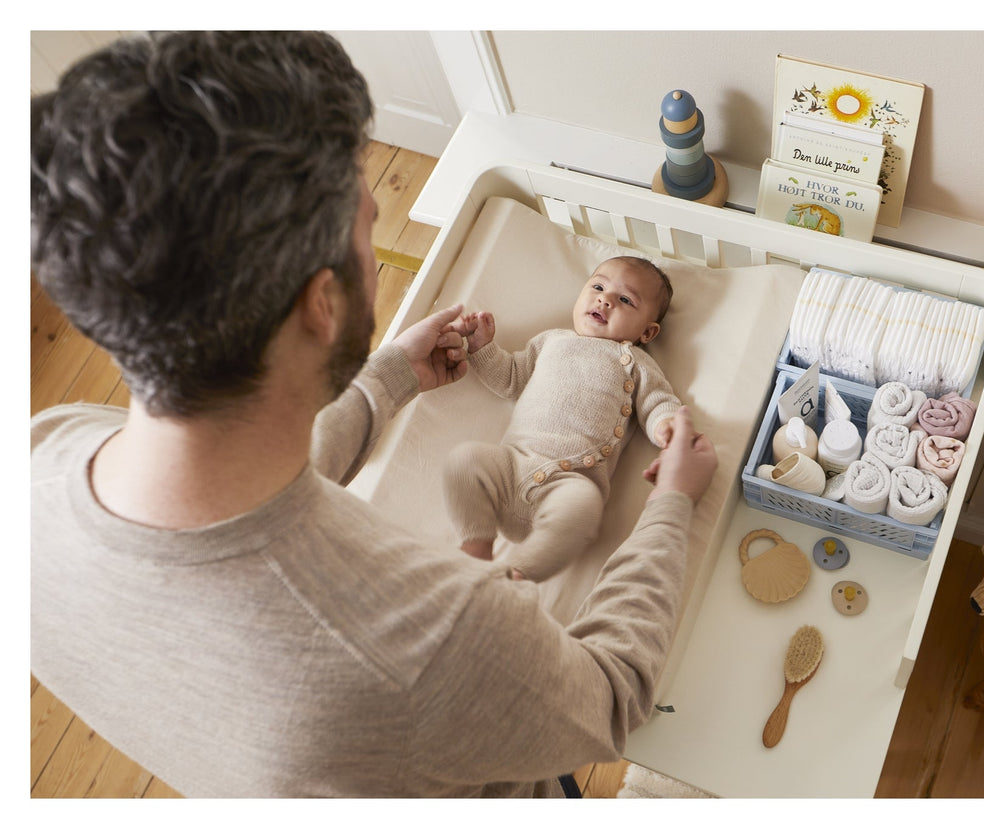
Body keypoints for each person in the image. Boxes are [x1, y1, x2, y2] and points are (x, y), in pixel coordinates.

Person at [30, 31, 717, 798]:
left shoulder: (39, 455)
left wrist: (383, 380)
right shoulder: (444, 631)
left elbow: (234, 472)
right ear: (322, 304)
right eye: (368, 224)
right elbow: (614, 693)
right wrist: (670, 503)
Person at [444, 256, 682, 582]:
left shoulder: (636, 363)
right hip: (512, 464)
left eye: (625, 300)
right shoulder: (551, 341)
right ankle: (477, 545)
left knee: (584, 508)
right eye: (598, 286)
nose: (605, 299)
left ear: (648, 331)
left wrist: (666, 427)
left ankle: (518, 575)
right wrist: (483, 348)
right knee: (465, 459)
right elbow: (511, 378)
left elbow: (657, 402)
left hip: (569, 482)